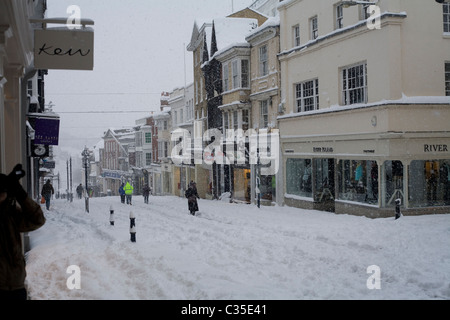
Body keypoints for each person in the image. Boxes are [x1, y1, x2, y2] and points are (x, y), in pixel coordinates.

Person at [0, 164, 46, 300]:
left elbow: (38, 219)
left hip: (15, 286)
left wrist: (20, 193)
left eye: (2, 192)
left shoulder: (10, 214)